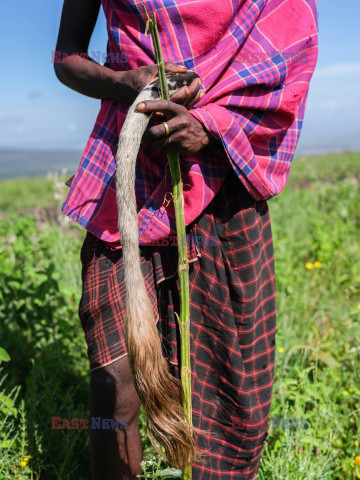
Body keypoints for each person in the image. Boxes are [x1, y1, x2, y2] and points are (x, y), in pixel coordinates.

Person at [54, 0, 318, 479]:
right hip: (127, 180)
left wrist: (211, 127)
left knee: (229, 383)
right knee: (113, 382)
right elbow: (66, 56)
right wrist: (125, 82)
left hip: (224, 186)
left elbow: (289, 48)